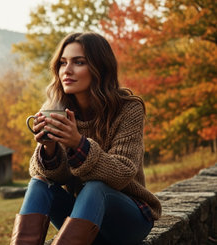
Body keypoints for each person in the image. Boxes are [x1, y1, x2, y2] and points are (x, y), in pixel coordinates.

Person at [10, 32, 162, 245]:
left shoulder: (128, 109)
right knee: (39, 183)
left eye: (78, 62)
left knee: (94, 187)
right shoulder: (57, 110)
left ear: (99, 67)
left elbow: (122, 173)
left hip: (127, 221)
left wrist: (77, 143)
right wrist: (49, 149)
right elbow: (57, 176)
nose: (67, 71)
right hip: (84, 223)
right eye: (63, 63)